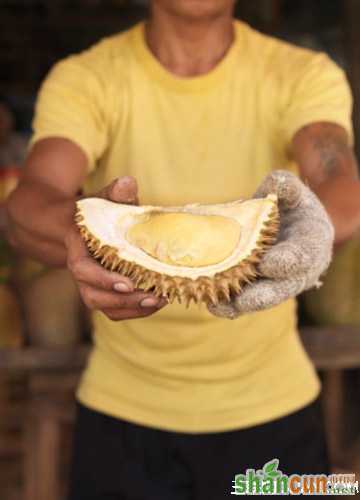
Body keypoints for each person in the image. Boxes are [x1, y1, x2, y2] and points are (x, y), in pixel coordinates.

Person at [7, 1, 360, 498]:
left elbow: (337, 180)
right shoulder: (86, 78)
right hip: (122, 415)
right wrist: (81, 228)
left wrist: (314, 226)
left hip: (274, 411)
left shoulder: (303, 73)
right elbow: (29, 201)